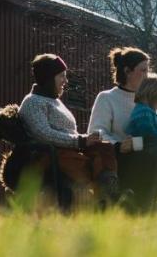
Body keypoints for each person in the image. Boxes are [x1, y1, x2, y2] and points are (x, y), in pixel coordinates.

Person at [18, 53, 121, 203]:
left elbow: (69, 133)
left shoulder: (55, 101)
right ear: (48, 77)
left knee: (104, 149)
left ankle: (109, 191)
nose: (65, 81)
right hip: (50, 154)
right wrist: (79, 141)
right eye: (61, 76)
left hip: (69, 148)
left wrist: (87, 140)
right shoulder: (33, 102)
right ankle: (98, 199)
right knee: (81, 162)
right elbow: (43, 134)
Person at [87, 46, 151, 150]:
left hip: (147, 158)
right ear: (127, 71)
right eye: (143, 70)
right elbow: (96, 133)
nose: (147, 76)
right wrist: (118, 145)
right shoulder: (107, 98)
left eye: (148, 71)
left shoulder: (149, 101)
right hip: (116, 160)